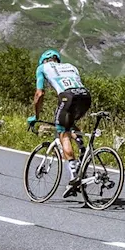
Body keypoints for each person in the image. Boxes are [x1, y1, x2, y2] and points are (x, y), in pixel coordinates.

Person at [27, 49, 92, 198]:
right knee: (70, 125)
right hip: (85, 97)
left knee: (62, 133)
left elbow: (39, 94)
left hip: (67, 97)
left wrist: (36, 116)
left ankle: (74, 173)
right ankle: (82, 149)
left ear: (44, 60)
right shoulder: (71, 66)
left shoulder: (42, 68)